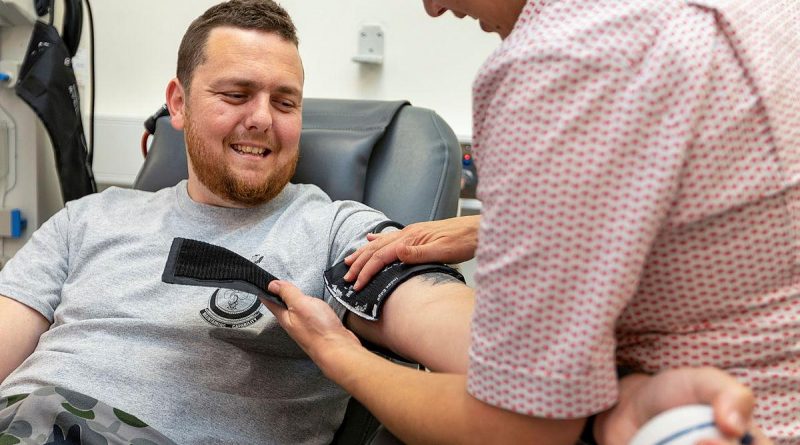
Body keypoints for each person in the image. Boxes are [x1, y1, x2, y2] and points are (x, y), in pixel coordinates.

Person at [0, 1, 772, 444]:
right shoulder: (88, 219)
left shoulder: (339, 232)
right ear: (176, 104)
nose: (262, 122)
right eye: (235, 93)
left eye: (286, 100)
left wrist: (619, 396)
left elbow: (490, 349)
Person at [338, 0, 800, 444]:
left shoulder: (564, 58)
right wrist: (497, 228)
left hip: (724, 422)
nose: (432, 8)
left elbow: (517, 427)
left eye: (286, 101)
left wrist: (336, 352)